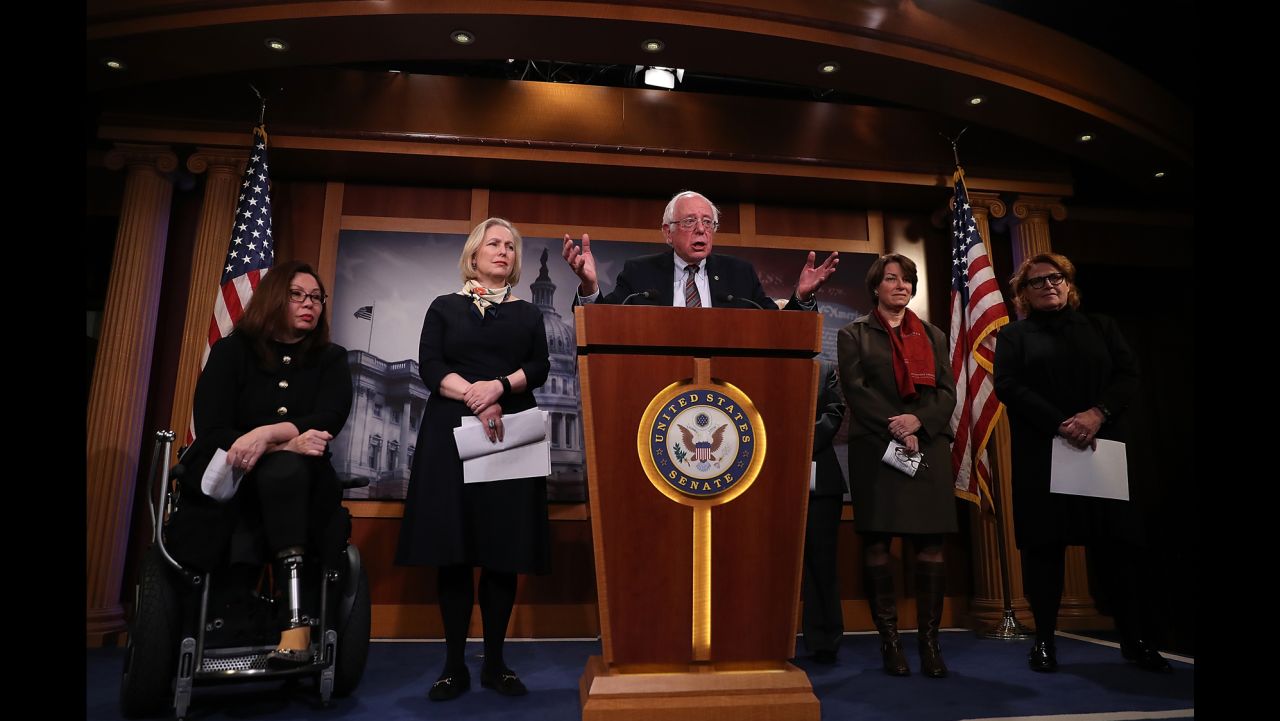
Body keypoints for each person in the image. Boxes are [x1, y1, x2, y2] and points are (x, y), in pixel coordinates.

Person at [168, 259, 353, 668]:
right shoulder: (232, 351)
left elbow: (328, 420)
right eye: (298, 295)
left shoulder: (331, 359)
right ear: (273, 299)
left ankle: (296, 621)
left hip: (300, 486)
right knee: (278, 468)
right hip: (228, 476)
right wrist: (282, 443)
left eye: (317, 298)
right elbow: (213, 428)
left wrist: (267, 434)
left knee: (286, 473)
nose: (310, 304)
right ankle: (225, 607)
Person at [396, 218, 552, 701]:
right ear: (474, 253)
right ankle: (452, 667)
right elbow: (431, 366)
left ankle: (497, 664)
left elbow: (540, 367)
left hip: (512, 432)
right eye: (494, 244)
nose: (502, 252)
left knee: (503, 553)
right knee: (455, 551)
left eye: (510, 246)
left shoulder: (528, 314)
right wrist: (476, 397)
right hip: (452, 432)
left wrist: (500, 388)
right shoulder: (445, 307)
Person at [993, 252, 1171, 674]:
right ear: (1023, 294)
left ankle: (1135, 639)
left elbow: (1127, 376)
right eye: (1037, 281)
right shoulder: (1013, 337)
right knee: (1044, 550)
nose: (1048, 285)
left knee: (1117, 549)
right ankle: (1045, 643)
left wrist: (1097, 413)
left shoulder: (1101, 327)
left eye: (1056, 278)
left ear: (1069, 285)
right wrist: (1060, 422)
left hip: (1101, 449)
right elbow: (1008, 386)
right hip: (1044, 454)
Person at [836, 253, 957, 678]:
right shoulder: (854, 334)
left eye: (907, 279)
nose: (901, 286)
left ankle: (929, 642)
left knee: (930, 544)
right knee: (876, 543)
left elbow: (947, 391)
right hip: (877, 446)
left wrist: (918, 422)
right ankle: (889, 642)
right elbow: (856, 388)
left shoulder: (934, 335)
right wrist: (896, 425)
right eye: (891, 279)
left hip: (927, 445)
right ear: (875, 287)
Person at [561, 190, 839, 309]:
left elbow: (776, 330)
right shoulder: (640, 273)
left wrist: (801, 297)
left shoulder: (739, 274)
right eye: (690, 221)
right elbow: (603, 323)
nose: (701, 230)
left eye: (708, 222)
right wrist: (589, 285)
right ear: (667, 232)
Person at [801, 360, 848, 664]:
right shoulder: (757, 366)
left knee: (822, 562)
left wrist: (799, 441)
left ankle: (825, 641)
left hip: (819, 474)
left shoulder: (825, 369)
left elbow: (834, 411)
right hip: (763, 475)